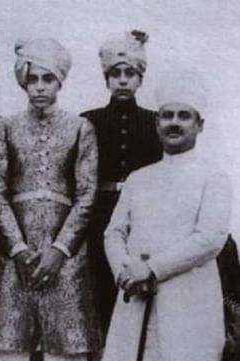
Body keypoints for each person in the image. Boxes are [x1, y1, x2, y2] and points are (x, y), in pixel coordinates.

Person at [96, 70, 232, 361]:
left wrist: (152, 268)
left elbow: (209, 239)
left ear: (199, 124)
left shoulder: (214, 176)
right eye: (167, 115)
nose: (174, 123)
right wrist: (124, 270)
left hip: (189, 300)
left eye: (183, 116)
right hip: (139, 297)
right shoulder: (140, 178)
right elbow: (114, 232)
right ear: (156, 123)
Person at [0, 38, 100, 361]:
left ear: (60, 82)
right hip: (17, 251)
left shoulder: (80, 128)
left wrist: (61, 249)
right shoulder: (5, 127)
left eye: (49, 79)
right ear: (23, 83)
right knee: (8, 344)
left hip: (66, 253)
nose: (41, 87)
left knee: (67, 345)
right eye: (34, 80)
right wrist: (17, 248)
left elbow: (87, 195)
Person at [81, 30, 162, 335]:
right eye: (116, 74)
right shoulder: (88, 120)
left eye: (130, 74)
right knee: (101, 286)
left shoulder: (154, 122)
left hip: (142, 214)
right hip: (99, 215)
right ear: (107, 79)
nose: (123, 80)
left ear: (140, 79)